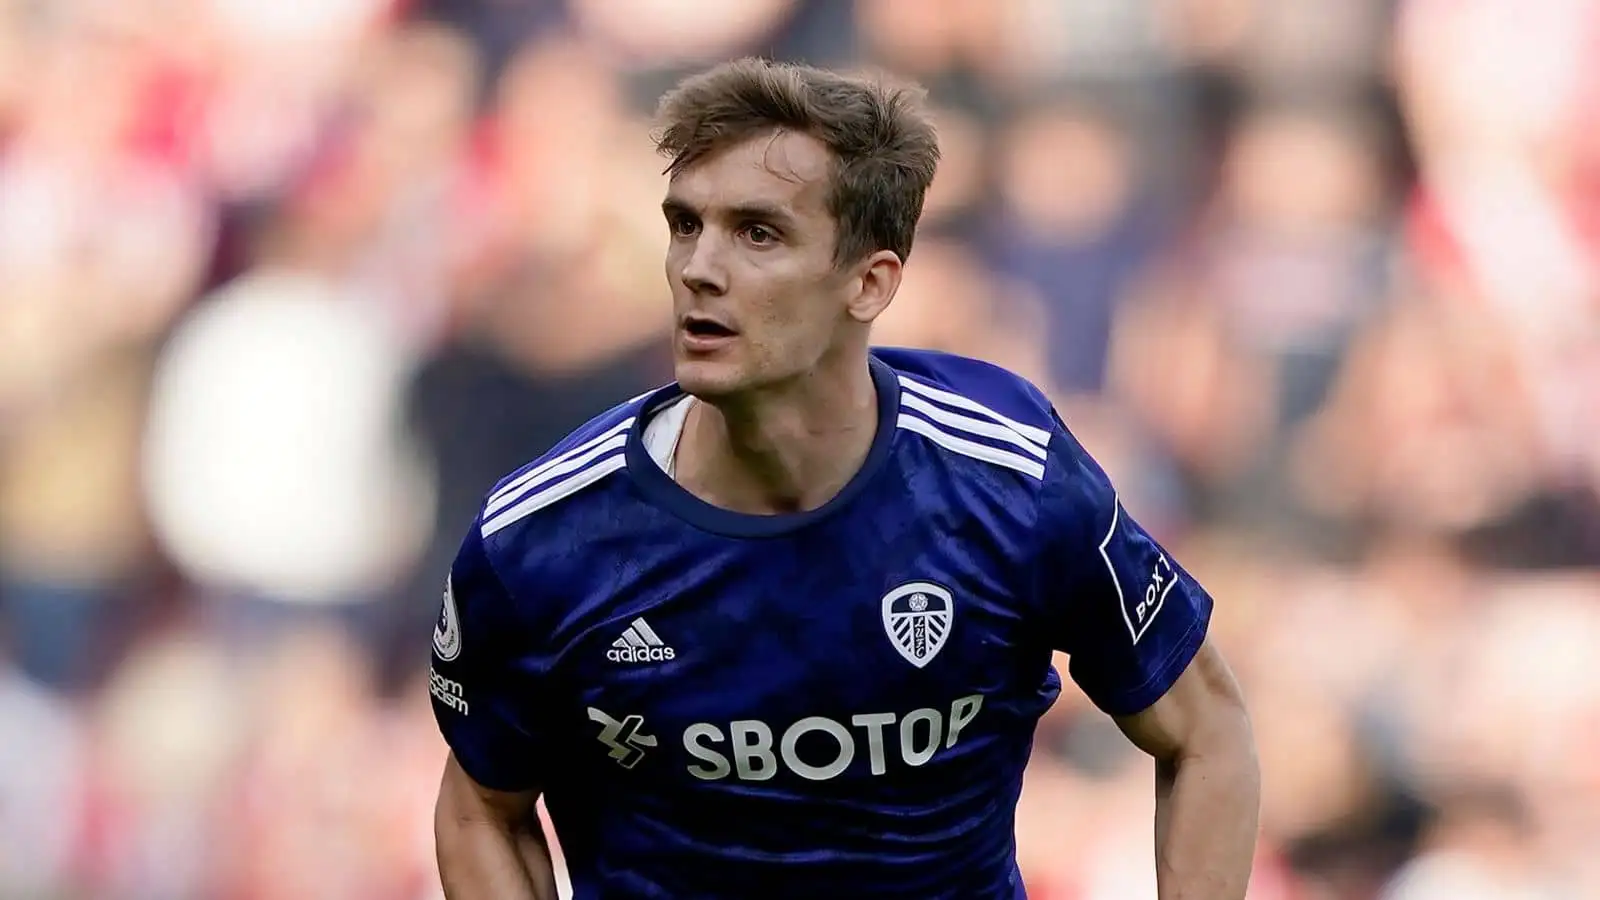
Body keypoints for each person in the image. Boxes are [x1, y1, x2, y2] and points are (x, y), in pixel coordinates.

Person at [430, 58, 1260, 900]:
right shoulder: (544, 537)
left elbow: (1206, 733)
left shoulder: (1010, 480)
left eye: (758, 233)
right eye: (686, 225)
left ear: (871, 282)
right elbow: (480, 809)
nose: (697, 269)